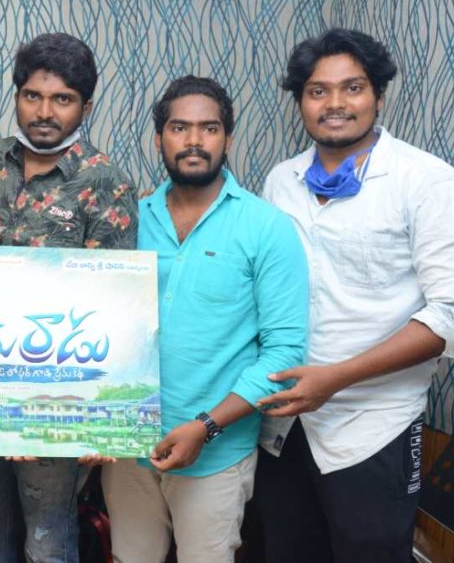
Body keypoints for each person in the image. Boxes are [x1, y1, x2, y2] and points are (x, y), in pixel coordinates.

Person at [255, 28, 454, 563]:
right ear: (300, 102)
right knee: (285, 551)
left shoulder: (428, 182)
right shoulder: (280, 182)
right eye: (317, 90)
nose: (334, 104)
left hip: (373, 427)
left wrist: (336, 377)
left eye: (351, 88)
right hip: (282, 424)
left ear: (378, 95)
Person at [91, 76, 307, 563]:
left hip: (217, 451)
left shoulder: (267, 227)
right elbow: (94, 322)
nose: (193, 140)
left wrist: (206, 426)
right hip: (128, 446)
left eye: (209, 128)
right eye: (179, 128)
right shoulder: (127, 220)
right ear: (159, 139)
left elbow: (284, 353)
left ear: (228, 138)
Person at [0, 33, 136, 562]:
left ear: (85, 107)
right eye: (33, 95)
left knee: (47, 541)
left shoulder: (106, 181)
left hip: (56, 399)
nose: (45, 111)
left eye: (62, 99)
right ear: (17, 95)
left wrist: (103, 422)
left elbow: (116, 305)